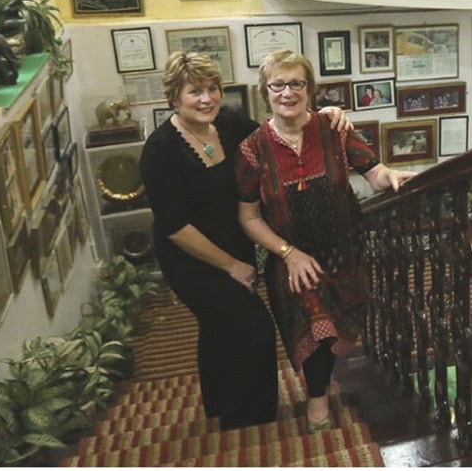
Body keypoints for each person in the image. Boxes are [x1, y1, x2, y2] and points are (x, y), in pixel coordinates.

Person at [138, 52, 352, 430]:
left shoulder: (229, 123)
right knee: (253, 327)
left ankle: (219, 403)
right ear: (174, 99)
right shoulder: (160, 150)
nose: (207, 99)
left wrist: (328, 116)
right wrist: (231, 265)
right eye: (194, 92)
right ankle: (248, 419)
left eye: (212, 89)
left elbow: (279, 132)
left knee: (217, 327)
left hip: (235, 243)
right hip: (192, 258)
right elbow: (175, 226)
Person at [236, 50, 416, 433]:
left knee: (340, 328)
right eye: (278, 85)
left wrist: (393, 175)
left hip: (344, 254)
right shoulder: (253, 149)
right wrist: (289, 253)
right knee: (318, 330)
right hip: (293, 262)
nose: (288, 92)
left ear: (310, 89)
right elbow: (248, 217)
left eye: (296, 83)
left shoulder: (334, 129)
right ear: (264, 92)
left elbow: (374, 172)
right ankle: (317, 397)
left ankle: (324, 376)